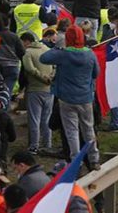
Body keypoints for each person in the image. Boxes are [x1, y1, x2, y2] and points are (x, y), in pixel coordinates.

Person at [39, 26, 101, 170]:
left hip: (66, 99)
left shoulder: (63, 54)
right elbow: (95, 73)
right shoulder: (90, 54)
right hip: (85, 98)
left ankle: (75, 161)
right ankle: (94, 159)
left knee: (71, 131)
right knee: (88, 129)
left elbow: (44, 58)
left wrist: (58, 48)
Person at [21, 32, 55, 154]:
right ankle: (47, 144)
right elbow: (55, 66)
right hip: (49, 89)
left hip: (35, 89)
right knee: (47, 118)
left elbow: (29, 69)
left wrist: (41, 77)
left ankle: (34, 146)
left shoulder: (28, 53)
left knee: (34, 119)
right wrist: (50, 78)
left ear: (26, 41)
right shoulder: (47, 49)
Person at [0, 26, 25, 98]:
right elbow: (22, 53)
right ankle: (5, 106)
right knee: (7, 92)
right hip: (12, 67)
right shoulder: (14, 36)